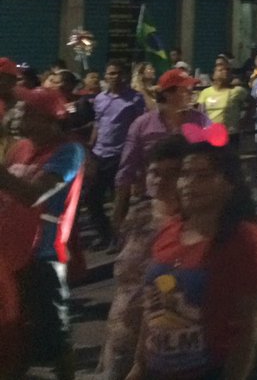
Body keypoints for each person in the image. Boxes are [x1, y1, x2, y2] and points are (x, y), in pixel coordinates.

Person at [128, 140, 257, 380]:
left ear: (229, 183)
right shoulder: (170, 231)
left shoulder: (246, 239)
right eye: (185, 174)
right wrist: (139, 365)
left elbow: (248, 328)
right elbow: (153, 310)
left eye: (203, 176)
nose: (189, 184)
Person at [0, 88, 85, 380]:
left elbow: (34, 194)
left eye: (28, 110)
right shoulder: (20, 147)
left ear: (49, 119)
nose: (19, 113)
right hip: (8, 252)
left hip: (42, 253)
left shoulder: (68, 151)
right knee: (11, 330)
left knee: (54, 334)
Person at [95, 135, 186, 380]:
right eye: (154, 171)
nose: (160, 180)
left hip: (155, 343)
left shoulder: (189, 227)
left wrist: (140, 362)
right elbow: (124, 283)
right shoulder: (140, 215)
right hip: (119, 333)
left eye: (172, 173)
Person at [113, 67, 210, 232]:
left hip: (192, 201)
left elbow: (215, 155)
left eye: (190, 89)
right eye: (184, 90)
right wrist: (119, 211)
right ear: (167, 93)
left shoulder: (200, 120)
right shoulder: (142, 126)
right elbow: (126, 170)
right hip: (155, 202)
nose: (190, 93)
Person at [86, 60, 146, 252]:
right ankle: (103, 234)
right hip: (99, 153)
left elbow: (139, 126)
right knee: (92, 197)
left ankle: (118, 238)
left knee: (119, 201)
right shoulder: (100, 99)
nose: (115, 77)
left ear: (125, 76)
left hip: (122, 155)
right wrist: (91, 145)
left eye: (118, 73)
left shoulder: (135, 99)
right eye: (111, 73)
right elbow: (98, 123)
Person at [196, 60, 249, 152]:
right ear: (213, 75)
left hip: (230, 134)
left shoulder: (237, 91)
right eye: (220, 70)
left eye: (228, 70)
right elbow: (200, 112)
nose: (225, 72)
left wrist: (244, 120)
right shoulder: (206, 92)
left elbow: (252, 103)